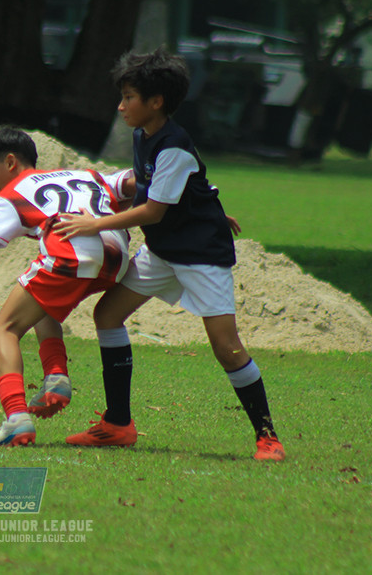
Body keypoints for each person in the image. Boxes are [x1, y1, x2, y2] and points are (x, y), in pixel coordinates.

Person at [54, 48, 285, 461]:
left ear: (156, 102)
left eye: (129, 97)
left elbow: (153, 209)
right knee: (107, 315)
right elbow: (166, 188)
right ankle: (117, 424)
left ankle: (267, 436)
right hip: (162, 252)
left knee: (226, 347)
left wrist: (92, 224)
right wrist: (209, 207)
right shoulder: (143, 135)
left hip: (200, 256)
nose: (121, 105)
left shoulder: (174, 145)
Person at [0, 125, 134, 447]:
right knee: (42, 305)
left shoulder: (11, 195)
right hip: (117, 259)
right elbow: (138, 182)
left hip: (70, 256)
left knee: (2, 328)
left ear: (11, 162)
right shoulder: (84, 175)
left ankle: (16, 417)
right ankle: (56, 376)